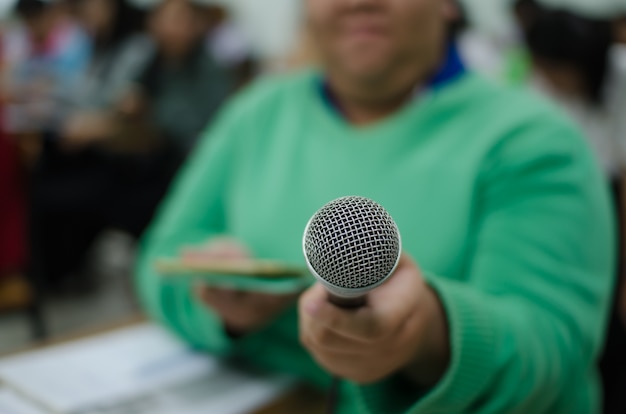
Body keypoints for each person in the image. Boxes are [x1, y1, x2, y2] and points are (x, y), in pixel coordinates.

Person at [137, 0, 614, 413]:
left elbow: (552, 349)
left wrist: (429, 336)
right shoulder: (253, 114)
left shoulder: (534, 140)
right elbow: (160, 257)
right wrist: (217, 309)